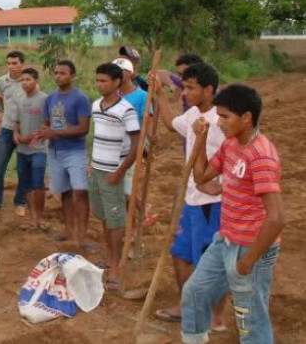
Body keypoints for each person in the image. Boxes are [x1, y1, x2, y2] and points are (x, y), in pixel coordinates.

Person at [182, 84, 285, 344]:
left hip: (252, 247)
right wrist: (201, 140)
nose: (219, 123)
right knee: (195, 291)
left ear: (246, 117)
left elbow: (276, 218)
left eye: (225, 116)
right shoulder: (231, 145)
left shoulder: (261, 156)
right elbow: (202, 177)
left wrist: (248, 261)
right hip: (225, 240)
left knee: (251, 320)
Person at [151, 63, 226, 331]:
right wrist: (159, 93)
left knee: (211, 261)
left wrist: (222, 185)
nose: (184, 93)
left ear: (209, 89)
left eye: (190, 88)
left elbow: (237, 156)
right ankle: (188, 305)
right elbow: (171, 124)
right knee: (180, 254)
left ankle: (216, 317)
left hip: (212, 204)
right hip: (191, 198)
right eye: (183, 87)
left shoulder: (222, 119)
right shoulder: (194, 113)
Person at [89, 63, 140, 291]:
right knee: (104, 216)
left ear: (117, 82)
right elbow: (98, 137)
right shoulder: (95, 106)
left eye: (104, 81)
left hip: (113, 172)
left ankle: (116, 268)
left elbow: (136, 145)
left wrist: (119, 172)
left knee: (116, 219)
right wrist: (91, 164)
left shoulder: (126, 110)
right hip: (97, 170)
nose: (99, 85)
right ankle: (110, 258)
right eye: (97, 80)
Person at [37, 60, 92, 250]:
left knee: (80, 192)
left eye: (63, 73)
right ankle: (69, 230)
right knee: (65, 192)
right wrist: (42, 133)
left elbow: (83, 128)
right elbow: (47, 123)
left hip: (75, 151)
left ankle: (82, 236)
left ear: (72, 75)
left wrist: (54, 132)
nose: (58, 76)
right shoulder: (50, 98)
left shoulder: (80, 98)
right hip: (55, 151)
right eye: (56, 73)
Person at [0, 50, 26, 215]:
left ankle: (21, 202)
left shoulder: (28, 80)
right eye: (9, 63)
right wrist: (5, 118)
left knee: (23, 168)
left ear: (22, 64)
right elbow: (0, 102)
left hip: (25, 131)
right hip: (6, 129)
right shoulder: (1, 81)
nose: (11, 66)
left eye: (15, 63)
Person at [12, 68, 48, 231]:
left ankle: (40, 217)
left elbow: (47, 124)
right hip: (22, 150)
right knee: (25, 183)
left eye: (28, 79)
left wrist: (30, 137)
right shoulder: (20, 99)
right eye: (22, 80)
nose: (25, 83)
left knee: (38, 183)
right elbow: (17, 122)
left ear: (36, 81)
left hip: (38, 149)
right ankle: (32, 217)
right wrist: (16, 134)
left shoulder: (44, 99)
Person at [110, 57, 149, 200]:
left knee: (126, 188)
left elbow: (147, 122)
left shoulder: (142, 96)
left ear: (131, 73)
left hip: (132, 146)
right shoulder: (111, 95)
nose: (118, 74)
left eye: (122, 71)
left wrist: (145, 144)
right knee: (115, 187)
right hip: (113, 146)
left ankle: (140, 211)